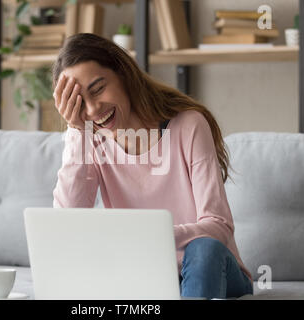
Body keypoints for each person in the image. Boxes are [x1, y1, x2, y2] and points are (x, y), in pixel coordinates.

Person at [51, 33, 253, 299]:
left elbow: (219, 226)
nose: (93, 109)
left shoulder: (189, 125)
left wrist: (154, 236)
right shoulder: (92, 142)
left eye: (98, 88)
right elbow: (68, 224)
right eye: (79, 104)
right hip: (148, 275)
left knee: (204, 248)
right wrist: (77, 131)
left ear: (123, 74)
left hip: (215, 270)